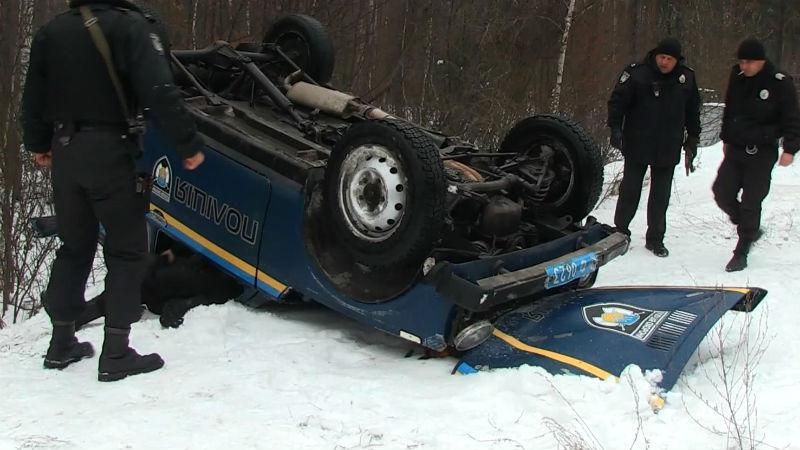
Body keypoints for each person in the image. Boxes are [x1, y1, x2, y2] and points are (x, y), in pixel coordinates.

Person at [20, 0, 205, 381]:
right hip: (111, 151)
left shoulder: (52, 31)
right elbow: (159, 90)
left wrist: (38, 143)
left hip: (65, 150)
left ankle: (61, 344)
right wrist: (186, 143)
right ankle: (117, 353)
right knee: (126, 252)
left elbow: (33, 97)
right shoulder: (131, 27)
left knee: (74, 246)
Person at [608, 37, 702, 257]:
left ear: (677, 60)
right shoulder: (638, 73)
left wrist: (693, 138)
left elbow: (693, 110)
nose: (664, 62)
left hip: (668, 144)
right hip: (637, 141)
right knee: (630, 190)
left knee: (661, 195)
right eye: (662, 57)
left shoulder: (685, 78)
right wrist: (615, 128)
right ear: (655, 55)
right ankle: (620, 232)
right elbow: (617, 102)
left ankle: (655, 238)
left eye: (669, 59)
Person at [713, 37, 800, 272]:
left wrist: (790, 148)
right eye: (742, 62)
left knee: (752, 201)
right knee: (722, 192)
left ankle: (741, 251)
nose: (745, 66)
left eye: (749, 62)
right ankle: (749, 227)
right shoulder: (738, 78)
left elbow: (792, 117)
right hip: (736, 148)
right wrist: (726, 138)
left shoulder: (779, 82)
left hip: (762, 150)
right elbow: (730, 111)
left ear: (761, 61)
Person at [77, 243, 244, 330]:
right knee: (139, 277)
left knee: (139, 279)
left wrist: (184, 305)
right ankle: (79, 316)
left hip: (188, 279)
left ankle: (78, 317)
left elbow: (224, 291)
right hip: (179, 275)